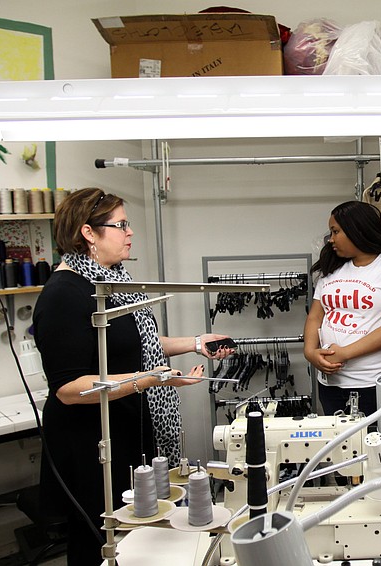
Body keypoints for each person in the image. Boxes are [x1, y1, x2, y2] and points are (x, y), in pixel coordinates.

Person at [33, 188, 232, 565]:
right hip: (90, 442)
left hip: (123, 426)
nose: (130, 233)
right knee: (100, 541)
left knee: (135, 539)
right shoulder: (64, 294)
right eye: (121, 225)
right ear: (88, 233)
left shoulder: (108, 284)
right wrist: (151, 378)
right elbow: (70, 389)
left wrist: (193, 342)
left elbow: (132, 342)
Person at [304, 200, 381, 416]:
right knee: (340, 447)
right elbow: (315, 317)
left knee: (375, 447)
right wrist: (310, 352)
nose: (331, 239)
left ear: (356, 230)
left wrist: (344, 353)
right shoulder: (332, 268)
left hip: (372, 383)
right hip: (330, 384)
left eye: (336, 231)